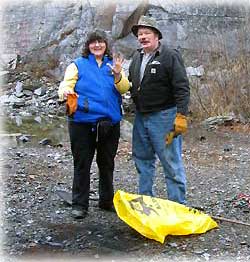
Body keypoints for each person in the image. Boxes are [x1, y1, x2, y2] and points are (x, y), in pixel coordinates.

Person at [58, 30, 130, 219]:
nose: (97, 45)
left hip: (109, 123)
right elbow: (66, 85)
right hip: (82, 122)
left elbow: (124, 88)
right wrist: (65, 93)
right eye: (93, 43)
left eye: (100, 42)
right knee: (82, 162)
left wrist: (117, 75)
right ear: (88, 46)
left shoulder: (114, 66)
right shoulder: (77, 65)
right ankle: (80, 204)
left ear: (106, 45)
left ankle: (106, 201)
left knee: (107, 163)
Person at [128, 15, 190, 204]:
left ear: (157, 36)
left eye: (147, 33)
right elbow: (131, 85)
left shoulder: (170, 55)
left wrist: (181, 115)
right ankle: (146, 202)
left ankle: (178, 206)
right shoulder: (137, 56)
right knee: (142, 160)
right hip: (140, 117)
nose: (143, 37)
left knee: (171, 162)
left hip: (164, 117)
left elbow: (182, 87)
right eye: (140, 34)